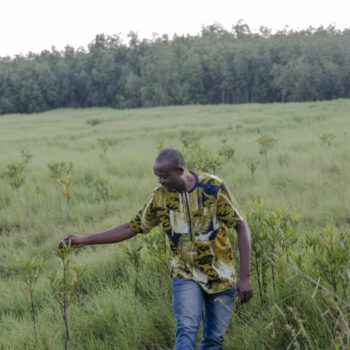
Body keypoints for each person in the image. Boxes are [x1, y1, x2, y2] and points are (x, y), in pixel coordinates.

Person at [58, 148, 253, 350]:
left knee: (214, 339)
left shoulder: (213, 187)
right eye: (157, 176)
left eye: (163, 176)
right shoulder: (160, 197)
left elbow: (241, 225)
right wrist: (84, 240)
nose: (160, 180)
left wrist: (245, 276)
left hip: (220, 274)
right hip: (184, 273)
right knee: (186, 329)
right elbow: (131, 227)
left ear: (180, 170)